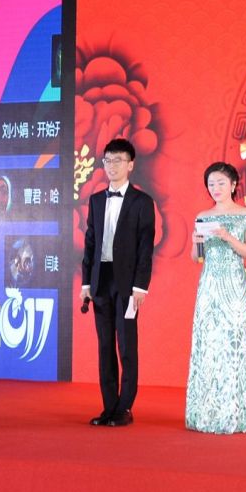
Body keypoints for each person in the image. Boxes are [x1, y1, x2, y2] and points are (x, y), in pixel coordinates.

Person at [81, 138, 155, 427]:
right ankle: (109, 406)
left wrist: (140, 287)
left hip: (127, 284)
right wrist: (86, 284)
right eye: (108, 160)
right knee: (104, 346)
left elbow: (145, 247)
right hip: (100, 280)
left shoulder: (142, 202)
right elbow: (90, 243)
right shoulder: (96, 200)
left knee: (126, 345)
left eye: (118, 160)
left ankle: (125, 408)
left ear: (131, 165)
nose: (112, 166)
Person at [186, 162, 246, 434]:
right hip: (209, 287)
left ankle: (236, 413)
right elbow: (198, 258)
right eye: (211, 184)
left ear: (233, 184)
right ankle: (206, 411)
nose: (215, 188)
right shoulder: (203, 216)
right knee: (209, 345)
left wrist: (228, 237)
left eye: (220, 183)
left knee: (234, 345)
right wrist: (196, 242)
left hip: (234, 287)